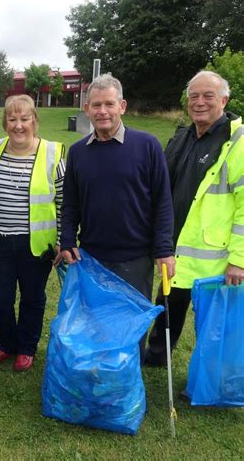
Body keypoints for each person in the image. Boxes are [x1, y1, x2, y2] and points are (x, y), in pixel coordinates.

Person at [60, 74, 175, 361]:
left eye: (109, 104)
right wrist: (65, 240)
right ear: (87, 109)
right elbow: (70, 204)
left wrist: (164, 249)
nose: (102, 111)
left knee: (130, 324)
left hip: (136, 258)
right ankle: (99, 375)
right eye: (95, 105)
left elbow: (163, 201)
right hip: (92, 256)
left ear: (121, 106)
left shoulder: (147, 145)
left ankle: (126, 386)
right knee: (96, 322)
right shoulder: (77, 153)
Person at [146, 71, 244, 366]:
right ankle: (157, 356)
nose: (199, 103)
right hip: (176, 249)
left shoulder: (237, 142)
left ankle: (210, 377)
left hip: (216, 256)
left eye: (208, 96)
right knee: (167, 306)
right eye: (193, 97)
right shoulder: (182, 137)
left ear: (224, 100)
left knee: (213, 323)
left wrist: (239, 259)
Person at [0, 95, 64, 371]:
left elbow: (64, 201)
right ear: (5, 122)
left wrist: (61, 241)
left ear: (35, 120)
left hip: (37, 245)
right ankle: (8, 343)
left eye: (24, 118)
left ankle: (27, 347)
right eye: (12, 119)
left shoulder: (52, 153)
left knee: (32, 297)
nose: (18, 125)